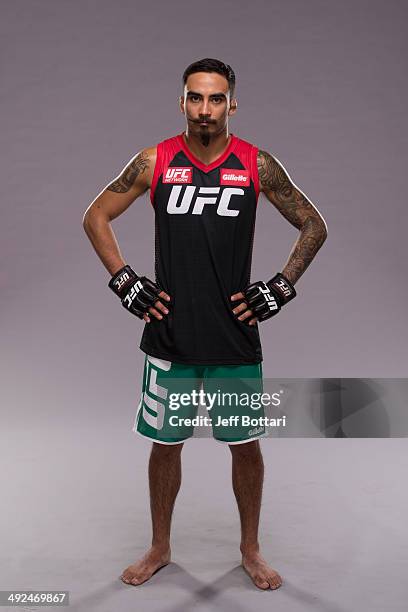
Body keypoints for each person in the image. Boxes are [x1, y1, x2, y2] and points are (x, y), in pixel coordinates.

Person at [82, 57, 327, 591]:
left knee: (246, 446)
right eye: (196, 97)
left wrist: (280, 287)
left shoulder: (255, 164)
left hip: (234, 337)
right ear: (182, 102)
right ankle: (160, 546)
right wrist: (126, 281)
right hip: (170, 335)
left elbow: (314, 223)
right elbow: (94, 215)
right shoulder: (155, 160)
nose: (205, 109)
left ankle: (250, 550)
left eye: (216, 99)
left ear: (232, 105)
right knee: (165, 443)